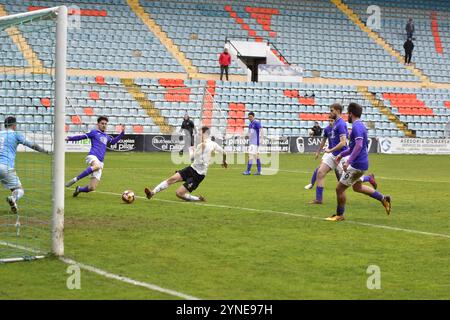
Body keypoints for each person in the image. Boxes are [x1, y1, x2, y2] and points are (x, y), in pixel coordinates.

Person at [327, 103, 391, 221]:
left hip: (357, 164)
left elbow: (359, 145)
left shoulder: (356, 126)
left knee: (339, 189)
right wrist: (341, 155)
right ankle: (383, 198)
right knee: (357, 187)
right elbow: (352, 148)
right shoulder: (360, 126)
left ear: (351, 114)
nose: (347, 116)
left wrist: (348, 161)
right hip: (362, 163)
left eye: (347, 113)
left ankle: (340, 215)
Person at [144, 126, 227, 202]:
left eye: (199, 134)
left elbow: (192, 158)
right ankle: (152, 192)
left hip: (198, 175)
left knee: (179, 193)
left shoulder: (203, 145)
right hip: (191, 168)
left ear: (205, 134)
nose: (198, 135)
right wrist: (224, 161)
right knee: (172, 179)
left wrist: (191, 150)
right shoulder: (213, 144)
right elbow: (224, 153)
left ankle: (198, 199)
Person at [304, 117, 377, 190]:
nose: (330, 122)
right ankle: (311, 184)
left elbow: (345, 141)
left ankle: (368, 178)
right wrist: (318, 152)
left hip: (341, 153)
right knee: (320, 168)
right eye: (329, 121)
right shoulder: (327, 129)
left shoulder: (340, 127)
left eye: (332, 121)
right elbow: (323, 141)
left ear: (335, 121)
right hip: (331, 152)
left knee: (348, 177)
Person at [65, 116, 125, 197]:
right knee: (96, 166)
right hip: (92, 156)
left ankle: (79, 189)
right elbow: (81, 137)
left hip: (100, 161)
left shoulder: (106, 136)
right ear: (98, 124)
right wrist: (69, 138)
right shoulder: (94, 132)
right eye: (102, 123)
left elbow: (113, 142)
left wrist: (122, 133)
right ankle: (75, 179)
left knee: (92, 187)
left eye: (105, 124)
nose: (104, 125)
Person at [0, 116, 50, 213]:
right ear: (14, 125)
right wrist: (44, 151)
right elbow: (32, 145)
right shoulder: (16, 134)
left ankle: (14, 203)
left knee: (13, 188)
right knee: (19, 189)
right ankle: (13, 199)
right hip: (5, 166)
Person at [309, 103, 348, 204]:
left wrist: (330, 150)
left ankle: (369, 179)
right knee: (320, 172)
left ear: (338, 111)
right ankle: (318, 199)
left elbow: (343, 143)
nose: (330, 112)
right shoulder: (334, 125)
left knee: (356, 182)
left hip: (343, 155)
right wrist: (328, 151)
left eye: (332, 110)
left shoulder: (341, 124)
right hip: (334, 155)